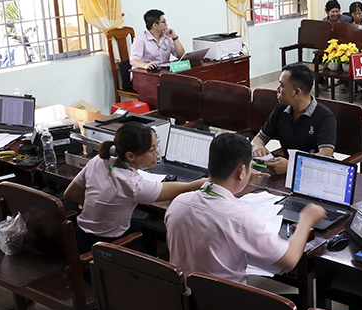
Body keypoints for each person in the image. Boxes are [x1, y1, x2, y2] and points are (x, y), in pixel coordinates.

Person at [166, 132, 325, 286]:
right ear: (241, 171)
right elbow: (289, 259)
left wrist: (238, 188)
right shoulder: (239, 220)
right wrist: (306, 220)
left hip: (183, 302)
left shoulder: (178, 203)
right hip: (226, 306)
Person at [63, 122, 205, 254]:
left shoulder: (98, 160)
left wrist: (101, 205)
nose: (157, 154)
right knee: (148, 236)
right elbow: (184, 188)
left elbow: (70, 194)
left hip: (80, 234)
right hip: (104, 245)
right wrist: (205, 181)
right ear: (130, 156)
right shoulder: (133, 185)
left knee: (138, 223)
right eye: (152, 150)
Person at [251, 64, 337, 175]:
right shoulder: (281, 109)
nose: (277, 90)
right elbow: (259, 138)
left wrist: (292, 166)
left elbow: (325, 155)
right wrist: (258, 146)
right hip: (286, 172)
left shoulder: (325, 116)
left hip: (314, 174)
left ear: (296, 92)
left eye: (281, 86)